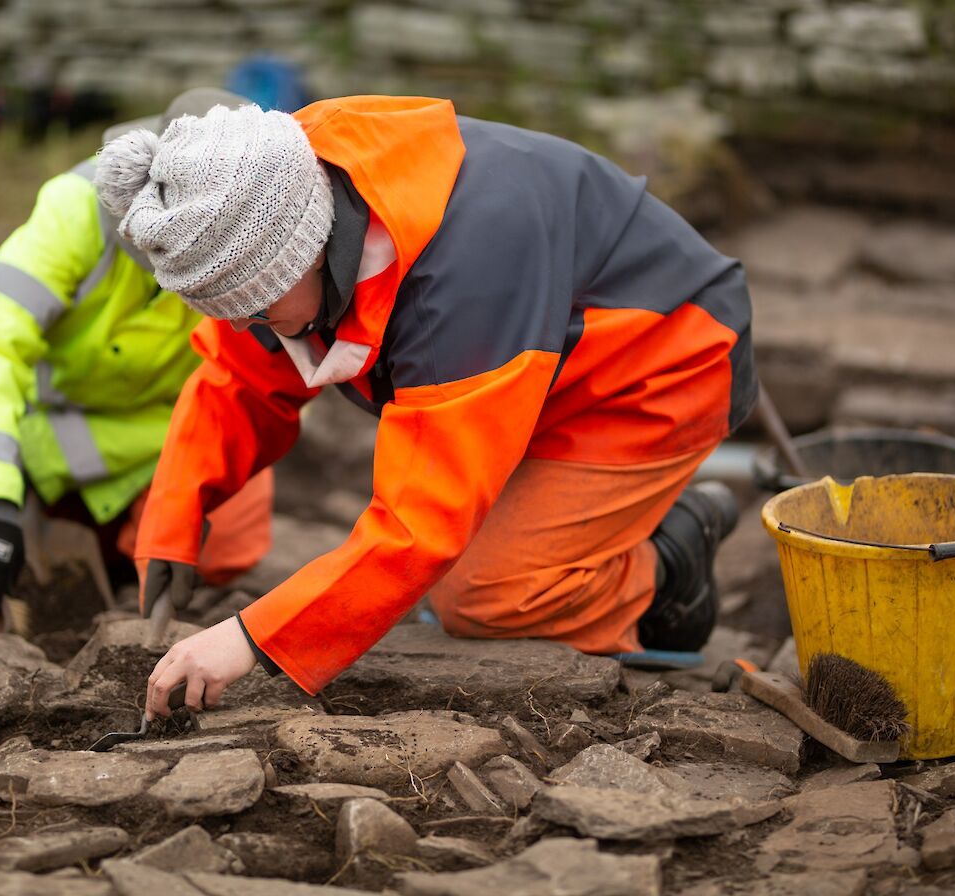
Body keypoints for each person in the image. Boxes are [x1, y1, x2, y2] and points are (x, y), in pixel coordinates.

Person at [93, 96, 755, 718]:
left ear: (309, 252)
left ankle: (671, 564)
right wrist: (172, 526)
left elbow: (421, 525)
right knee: (439, 572)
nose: (244, 328)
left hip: (662, 360)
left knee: (482, 597)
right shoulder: (285, 179)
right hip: (538, 362)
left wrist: (250, 638)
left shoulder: (462, 279)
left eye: (256, 309)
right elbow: (236, 380)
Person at [0, 89, 273, 623]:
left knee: (225, 547)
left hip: (164, 446)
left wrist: (190, 492)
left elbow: (253, 389)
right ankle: (73, 534)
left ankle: (112, 549)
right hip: (44, 440)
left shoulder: (262, 239)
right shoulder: (75, 206)